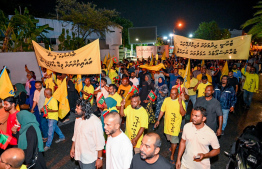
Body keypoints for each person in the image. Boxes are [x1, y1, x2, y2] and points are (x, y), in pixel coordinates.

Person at [154, 88, 186, 164]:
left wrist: (180, 103)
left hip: (175, 125)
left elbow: (183, 114)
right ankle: (172, 146)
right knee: (169, 138)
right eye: (171, 93)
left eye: (174, 93)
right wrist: (158, 120)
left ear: (177, 94)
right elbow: (162, 110)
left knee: (174, 140)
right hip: (167, 124)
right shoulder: (166, 100)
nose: (172, 95)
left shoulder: (180, 101)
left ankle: (172, 155)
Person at [71, 99, 105, 169]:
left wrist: (99, 158)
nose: (75, 109)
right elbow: (75, 135)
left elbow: (100, 142)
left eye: (77, 108)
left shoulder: (95, 122)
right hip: (79, 154)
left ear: (84, 110)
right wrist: (72, 148)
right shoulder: (78, 118)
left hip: (90, 159)